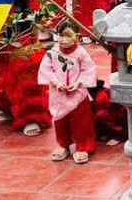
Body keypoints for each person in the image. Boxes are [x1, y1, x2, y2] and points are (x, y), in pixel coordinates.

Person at [37, 23, 96, 164]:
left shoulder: (81, 52)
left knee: (81, 121)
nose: (63, 39)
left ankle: (83, 146)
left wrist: (78, 83)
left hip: (78, 93)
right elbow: (45, 69)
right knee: (60, 119)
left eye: (68, 35)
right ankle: (63, 144)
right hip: (59, 92)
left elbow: (88, 69)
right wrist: (56, 82)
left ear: (77, 37)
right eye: (61, 35)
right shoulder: (53, 52)